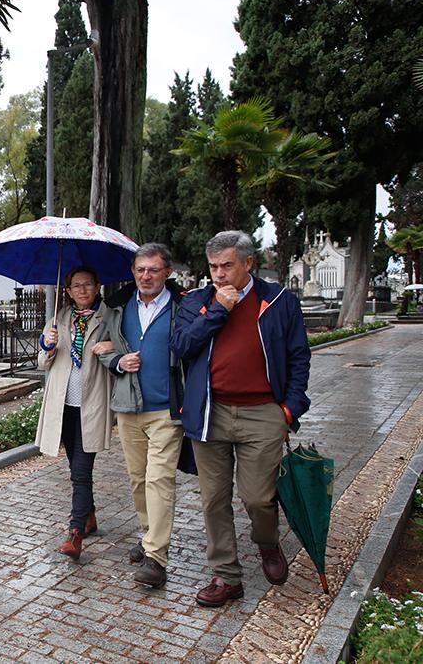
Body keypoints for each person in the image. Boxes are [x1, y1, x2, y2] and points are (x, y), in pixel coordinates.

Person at [172, 231, 311, 608]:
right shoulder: (196, 301)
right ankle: (227, 577)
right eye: (213, 266)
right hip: (209, 413)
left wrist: (289, 409)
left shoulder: (280, 301)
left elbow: (299, 358)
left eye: (227, 266)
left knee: (257, 498)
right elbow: (182, 346)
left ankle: (267, 542)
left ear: (248, 264)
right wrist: (220, 309)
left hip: (263, 413)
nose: (218, 274)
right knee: (214, 499)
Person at [98, 243, 186, 589]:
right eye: (140, 270)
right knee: (138, 479)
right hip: (129, 406)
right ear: (133, 272)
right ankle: (149, 533)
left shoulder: (183, 305)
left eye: (153, 270)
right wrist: (118, 361)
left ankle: (156, 558)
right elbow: (101, 348)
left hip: (167, 408)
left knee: (159, 479)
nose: (145, 276)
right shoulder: (118, 306)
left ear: (167, 272)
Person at [37, 266, 115, 560]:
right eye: (76, 286)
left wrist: (110, 348)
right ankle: (90, 515)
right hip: (64, 406)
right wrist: (48, 345)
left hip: (91, 405)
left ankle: (75, 532)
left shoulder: (108, 318)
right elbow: (42, 362)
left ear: (97, 287)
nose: (82, 290)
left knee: (81, 472)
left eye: (88, 285)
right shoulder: (58, 319)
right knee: (76, 469)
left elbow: (120, 352)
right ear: (67, 291)